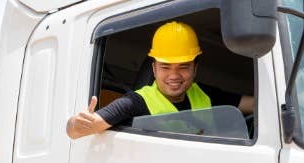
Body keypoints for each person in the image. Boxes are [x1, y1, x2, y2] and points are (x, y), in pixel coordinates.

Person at [66, 21, 254, 139]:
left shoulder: (204, 93)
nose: (174, 76)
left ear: (195, 68)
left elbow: (254, 105)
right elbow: (77, 130)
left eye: (183, 66)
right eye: (165, 67)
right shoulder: (136, 101)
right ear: (154, 69)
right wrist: (76, 124)